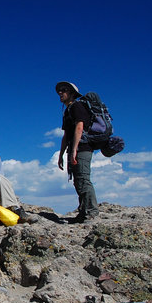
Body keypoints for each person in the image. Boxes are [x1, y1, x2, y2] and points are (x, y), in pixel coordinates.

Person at [56, 81, 98, 222]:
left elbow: (80, 127)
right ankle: (83, 212)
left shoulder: (77, 106)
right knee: (77, 181)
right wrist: (61, 154)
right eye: (59, 91)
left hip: (83, 148)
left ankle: (91, 212)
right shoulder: (67, 111)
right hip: (74, 149)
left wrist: (74, 149)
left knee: (83, 179)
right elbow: (66, 135)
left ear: (72, 93)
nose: (60, 93)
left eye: (63, 90)